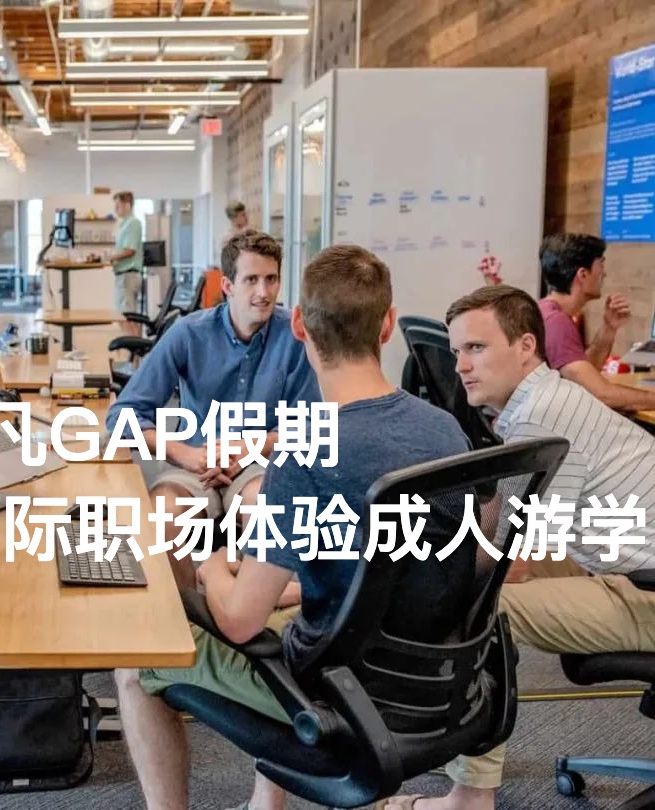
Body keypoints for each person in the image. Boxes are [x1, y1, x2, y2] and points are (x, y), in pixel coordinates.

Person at [115, 244, 475, 810]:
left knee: (135, 665)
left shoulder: (302, 458)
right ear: (387, 325)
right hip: (436, 681)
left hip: (335, 692)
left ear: (301, 325)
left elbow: (238, 622)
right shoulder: (447, 430)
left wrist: (213, 567)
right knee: (274, 599)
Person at [380, 285, 655, 810]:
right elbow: (505, 518)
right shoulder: (541, 402)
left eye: (476, 348)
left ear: (526, 346)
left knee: (484, 609)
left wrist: (417, 581)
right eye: (457, 351)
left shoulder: (541, 416)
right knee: (459, 580)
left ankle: (470, 795)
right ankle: (456, 735)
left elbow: (514, 559)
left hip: (643, 593)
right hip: (618, 564)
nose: (460, 366)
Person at [106, 230, 319, 592]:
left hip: (259, 465)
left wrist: (250, 448)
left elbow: (310, 427)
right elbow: (122, 415)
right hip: (193, 463)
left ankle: (249, 611)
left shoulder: (295, 337)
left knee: (266, 508)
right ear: (228, 286)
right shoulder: (189, 333)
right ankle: (192, 612)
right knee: (163, 515)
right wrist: (182, 453)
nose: (263, 292)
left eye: (271, 279)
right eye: (251, 280)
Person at [478, 236, 655, 412]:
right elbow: (602, 394)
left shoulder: (544, 310)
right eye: (601, 265)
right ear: (583, 274)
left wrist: (608, 328)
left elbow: (583, 375)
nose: (604, 274)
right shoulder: (556, 322)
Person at [110, 190, 144, 330]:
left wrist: (110, 257)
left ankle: (134, 343)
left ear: (128, 205)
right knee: (122, 316)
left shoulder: (133, 223)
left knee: (128, 318)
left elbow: (130, 250)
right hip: (122, 275)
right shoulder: (123, 224)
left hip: (128, 275)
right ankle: (129, 342)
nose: (115, 209)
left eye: (118, 205)